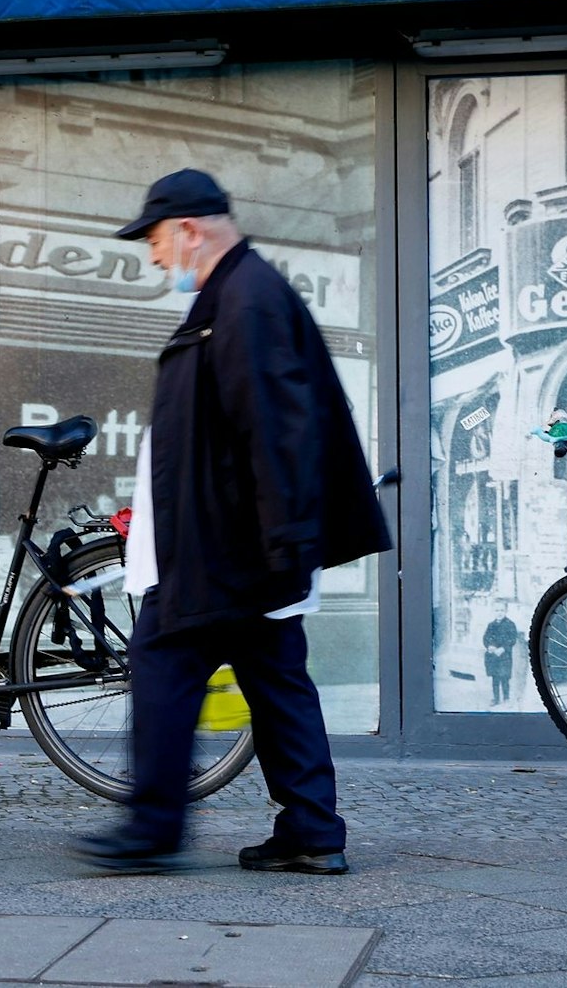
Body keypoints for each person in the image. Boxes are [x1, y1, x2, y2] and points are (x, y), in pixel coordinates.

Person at [72, 168, 392, 876]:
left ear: (189, 230)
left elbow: (276, 429)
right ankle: (311, 829)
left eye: (156, 239)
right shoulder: (239, 293)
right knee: (276, 679)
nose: (155, 256)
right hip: (243, 544)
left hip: (225, 548)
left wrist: (284, 545)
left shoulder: (245, 300)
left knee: (161, 664)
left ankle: (153, 826)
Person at [483, 605, 519, 706]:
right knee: (495, 678)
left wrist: (503, 648)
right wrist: (489, 646)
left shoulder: (510, 624)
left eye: (502, 610)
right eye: (497, 610)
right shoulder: (491, 625)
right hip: (493, 655)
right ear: (493, 611)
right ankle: (496, 698)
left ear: (506, 611)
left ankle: (506, 698)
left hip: (505, 656)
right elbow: (486, 637)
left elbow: (512, 639)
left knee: (504, 677)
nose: (499, 613)